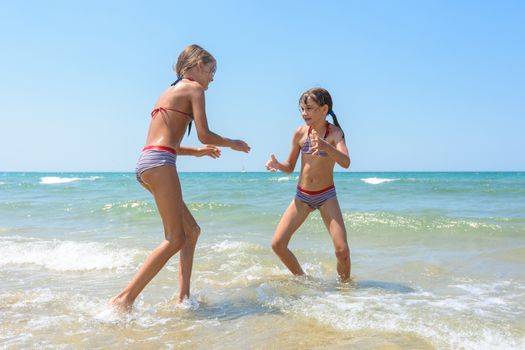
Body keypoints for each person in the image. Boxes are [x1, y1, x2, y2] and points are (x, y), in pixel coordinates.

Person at [111, 44, 251, 310]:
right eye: (211, 70)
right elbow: (205, 133)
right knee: (174, 238)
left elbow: (165, 142)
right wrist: (232, 143)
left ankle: (184, 298)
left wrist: (197, 153)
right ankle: (124, 299)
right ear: (197, 65)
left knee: (191, 231)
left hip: (147, 162)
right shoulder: (194, 89)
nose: (212, 77)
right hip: (161, 163)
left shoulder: (168, 91)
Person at [265, 87, 351, 281]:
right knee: (278, 244)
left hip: (326, 196)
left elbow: (346, 162)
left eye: (309, 108)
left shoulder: (335, 133)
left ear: (324, 109)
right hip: (302, 196)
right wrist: (278, 165)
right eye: (302, 109)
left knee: (342, 251)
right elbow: (289, 166)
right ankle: (304, 279)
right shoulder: (300, 133)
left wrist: (326, 147)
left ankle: (345, 290)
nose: (304, 113)